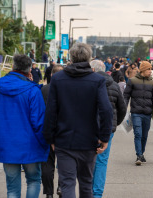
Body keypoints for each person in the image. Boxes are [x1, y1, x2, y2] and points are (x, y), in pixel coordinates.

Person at [43, 43, 113, 198]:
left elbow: (51, 111)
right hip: (89, 141)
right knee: (86, 184)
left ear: (71, 57)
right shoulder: (97, 80)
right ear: (89, 57)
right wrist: (104, 137)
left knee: (67, 183)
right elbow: (106, 110)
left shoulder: (58, 79)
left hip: (64, 140)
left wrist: (50, 138)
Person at [0, 54, 49, 197]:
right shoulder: (33, 90)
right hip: (30, 145)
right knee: (34, 180)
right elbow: (38, 122)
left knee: (12, 187)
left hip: (7, 143)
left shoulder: (1, 87)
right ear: (30, 70)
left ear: (13, 66)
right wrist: (45, 143)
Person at [90, 60, 127, 198]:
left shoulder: (88, 85)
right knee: (102, 161)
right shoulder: (114, 85)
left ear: (93, 70)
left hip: (89, 128)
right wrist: (114, 124)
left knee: (88, 159)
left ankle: (87, 190)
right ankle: (97, 194)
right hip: (107, 129)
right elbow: (122, 108)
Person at [124, 61, 153, 166]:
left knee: (144, 135)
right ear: (142, 70)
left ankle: (141, 153)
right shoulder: (132, 81)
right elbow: (126, 96)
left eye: (151, 69)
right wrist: (123, 109)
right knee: (138, 133)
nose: (150, 71)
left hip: (147, 113)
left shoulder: (152, 83)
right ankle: (139, 155)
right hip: (136, 112)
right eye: (148, 69)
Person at [41, 64, 64, 198]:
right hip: (63, 131)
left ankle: (49, 193)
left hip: (47, 130)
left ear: (51, 75)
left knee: (47, 163)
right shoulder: (68, 90)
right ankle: (61, 186)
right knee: (63, 162)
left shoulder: (43, 90)